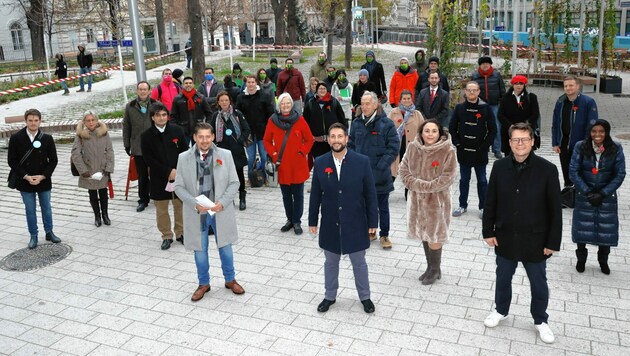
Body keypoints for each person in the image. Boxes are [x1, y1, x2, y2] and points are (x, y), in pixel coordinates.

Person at [482, 122, 562, 345]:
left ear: (533, 141)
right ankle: (500, 310)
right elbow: (491, 201)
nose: (520, 144)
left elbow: (555, 210)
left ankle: (540, 320)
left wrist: (552, 242)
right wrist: (488, 231)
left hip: (536, 239)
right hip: (506, 235)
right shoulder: (499, 167)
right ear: (509, 142)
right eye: (516, 139)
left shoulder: (547, 169)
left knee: (538, 282)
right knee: (503, 277)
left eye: (524, 139)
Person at [308, 123, 378, 314]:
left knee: (359, 262)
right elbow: (315, 194)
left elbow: (370, 194)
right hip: (330, 222)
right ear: (328, 139)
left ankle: (365, 297)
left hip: (355, 222)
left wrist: (373, 222)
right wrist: (312, 220)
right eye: (333, 136)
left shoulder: (361, 162)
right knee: (330, 262)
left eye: (340, 136)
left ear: (346, 139)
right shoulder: (320, 162)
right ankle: (329, 295)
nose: (336, 140)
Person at [174, 123, 245, 301]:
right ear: (195, 138)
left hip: (220, 209)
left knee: (226, 247)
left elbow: (234, 183)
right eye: (201, 137)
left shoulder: (225, 155)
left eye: (208, 136)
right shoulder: (183, 158)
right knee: (200, 249)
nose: (204, 140)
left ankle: (230, 279)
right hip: (197, 211)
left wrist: (223, 202)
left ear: (213, 137)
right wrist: (193, 203)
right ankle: (203, 283)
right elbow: (179, 187)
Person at [398, 120, 457, 285]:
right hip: (416, 200)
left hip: (438, 201)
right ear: (421, 133)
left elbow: (448, 176)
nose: (430, 134)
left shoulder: (448, 150)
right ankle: (431, 267)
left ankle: (435, 269)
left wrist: (425, 187)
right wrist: (416, 185)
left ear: (439, 133)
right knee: (423, 232)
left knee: (435, 233)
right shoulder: (412, 147)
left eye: (434, 131)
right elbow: (404, 170)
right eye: (427, 131)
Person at [570, 119, 626, 274]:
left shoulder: (615, 148)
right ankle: (581, 260)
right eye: (594, 131)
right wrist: (587, 192)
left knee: (605, 231)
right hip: (584, 195)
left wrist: (603, 193)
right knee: (582, 228)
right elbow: (574, 171)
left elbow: (620, 173)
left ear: (607, 132)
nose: (597, 134)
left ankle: (603, 261)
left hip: (606, 197)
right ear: (589, 132)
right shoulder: (580, 146)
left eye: (601, 131)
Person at [349, 91, 400, 249]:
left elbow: (394, 147)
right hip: (361, 175)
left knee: (382, 207)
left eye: (367, 103)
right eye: (362, 104)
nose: (364, 107)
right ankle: (370, 231)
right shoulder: (357, 123)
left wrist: (382, 165)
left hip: (380, 174)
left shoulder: (386, 124)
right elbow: (350, 144)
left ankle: (384, 234)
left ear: (376, 104)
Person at [7, 109, 61, 249]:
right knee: (30, 210)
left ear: (40, 121)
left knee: (47, 208)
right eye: (30, 120)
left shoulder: (47, 138)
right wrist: (26, 176)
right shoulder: (16, 138)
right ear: (26, 121)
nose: (33, 123)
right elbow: (12, 161)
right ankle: (33, 235)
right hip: (25, 180)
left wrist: (43, 176)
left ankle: (49, 232)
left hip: (43, 179)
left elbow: (53, 160)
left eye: (36, 120)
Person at [263, 93, 314, 235]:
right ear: (278, 105)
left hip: (297, 164)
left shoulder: (299, 120)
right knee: (286, 195)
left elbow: (309, 139)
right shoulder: (272, 121)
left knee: (298, 195)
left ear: (292, 104)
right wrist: (273, 154)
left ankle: (297, 221)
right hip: (282, 164)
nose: (285, 106)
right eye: (282, 103)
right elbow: (266, 140)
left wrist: (302, 152)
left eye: (288, 103)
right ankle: (289, 219)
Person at [141, 102, 188, 250]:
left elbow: (185, 153)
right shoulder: (146, 136)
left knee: (179, 206)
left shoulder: (177, 131)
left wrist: (177, 171)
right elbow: (149, 159)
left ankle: (181, 233)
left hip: (178, 175)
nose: (161, 118)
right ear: (152, 118)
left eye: (164, 115)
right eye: (158, 115)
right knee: (162, 209)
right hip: (159, 177)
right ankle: (166, 235)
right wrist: (167, 172)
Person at [449, 81, 496, 219]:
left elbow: (493, 130)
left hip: (480, 151)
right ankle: (462, 205)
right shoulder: (459, 108)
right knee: (464, 180)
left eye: (474, 90)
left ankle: (483, 207)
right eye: (469, 90)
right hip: (463, 150)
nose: (471, 92)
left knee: (482, 180)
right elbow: (452, 128)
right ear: (465, 92)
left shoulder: (486, 108)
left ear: (478, 92)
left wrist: (485, 146)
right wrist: (457, 144)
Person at [552, 75, 598, 187]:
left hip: (581, 144)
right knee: (566, 170)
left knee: (580, 172)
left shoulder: (588, 102)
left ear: (578, 86)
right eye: (565, 86)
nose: (568, 88)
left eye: (571, 85)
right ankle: (568, 192)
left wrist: (588, 143)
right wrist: (555, 143)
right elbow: (555, 124)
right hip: (563, 144)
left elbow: (592, 125)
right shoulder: (560, 102)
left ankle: (580, 195)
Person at [71, 111, 115, 227]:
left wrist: (109, 167)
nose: (91, 123)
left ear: (97, 120)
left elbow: (110, 151)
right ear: (84, 122)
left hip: (102, 168)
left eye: (93, 120)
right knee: (92, 193)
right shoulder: (80, 136)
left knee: (103, 192)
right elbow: (76, 154)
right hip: (89, 169)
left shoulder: (104, 133)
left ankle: (105, 215)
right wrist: (83, 170)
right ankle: (97, 216)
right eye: (88, 120)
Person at [211, 91, 251, 210]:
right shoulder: (215, 116)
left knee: (239, 175)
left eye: (226, 100)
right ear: (218, 102)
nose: (224, 102)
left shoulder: (237, 114)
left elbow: (246, 129)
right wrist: (215, 144)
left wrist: (240, 141)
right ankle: (228, 199)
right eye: (222, 100)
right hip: (221, 151)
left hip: (236, 150)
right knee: (224, 176)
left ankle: (242, 197)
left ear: (230, 102)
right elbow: (211, 131)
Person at [123, 81, 157, 212]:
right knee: (142, 175)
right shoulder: (130, 106)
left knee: (156, 173)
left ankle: (157, 194)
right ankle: (143, 199)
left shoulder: (156, 105)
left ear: (149, 91)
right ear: (137, 91)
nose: (143, 92)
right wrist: (127, 144)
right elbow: (126, 127)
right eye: (140, 89)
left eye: (145, 89)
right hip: (138, 147)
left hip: (154, 146)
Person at [236, 75, 275, 183]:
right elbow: (237, 114)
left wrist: (269, 128)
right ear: (246, 83)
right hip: (248, 133)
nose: (251, 84)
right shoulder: (241, 97)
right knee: (251, 157)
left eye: (253, 82)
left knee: (263, 155)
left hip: (262, 132)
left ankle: (265, 177)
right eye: (249, 82)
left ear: (256, 83)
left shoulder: (264, 95)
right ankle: (250, 177)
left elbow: (270, 113)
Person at [388, 89, 424, 199]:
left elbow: (423, 130)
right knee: (392, 170)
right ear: (400, 100)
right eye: (404, 99)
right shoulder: (393, 112)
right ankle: (385, 191)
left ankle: (408, 193)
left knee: (410, 170)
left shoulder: (417, 114)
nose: (406, 100)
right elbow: (386, 128)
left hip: (411, 147)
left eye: (409, 98)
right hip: (396, 145)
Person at [303, 83, 346, 169]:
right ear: (317, 91)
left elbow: (342, 119)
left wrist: (343, 134)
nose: (322, 90)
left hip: (332, 141)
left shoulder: (334, 102)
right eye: (320, 89)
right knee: (320, 165)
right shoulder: (310, 103)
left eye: (324, 88)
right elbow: (305, 122)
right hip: (317, 142)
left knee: (333, 164)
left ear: (327, 90)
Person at [498, 75, 540, 157]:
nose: (518, 85)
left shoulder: (531, 97)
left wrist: (525, 125)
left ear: (524, 85)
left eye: (521, 83)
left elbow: (535, 114)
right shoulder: (505, 98)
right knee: (509, 156)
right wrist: (511, 126)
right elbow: (500, 115)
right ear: (512, 85)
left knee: (526, 155)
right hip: (509, 131)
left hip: (526, 130)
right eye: (516, 83)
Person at [471, 56, 505, 159]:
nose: (485, 65)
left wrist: (502, 102)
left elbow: (502, 89)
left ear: (490, 64)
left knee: (496, 127)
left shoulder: (496, 75)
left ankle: (497, 149)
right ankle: (482, 148)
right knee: (480, 127)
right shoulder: (475, 76)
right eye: (483, 64)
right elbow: (471, 89)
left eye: (487, 63)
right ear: (480, 65)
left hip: (494, 105)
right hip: (480, 105)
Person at [170, 76, 213, 145]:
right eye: (186, 83)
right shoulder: (177, 99)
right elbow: (173, 116)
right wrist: (177, 129)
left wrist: (207, 125)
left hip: (198, 130)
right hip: (183, 131)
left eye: (190, 83)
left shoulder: (200, 97)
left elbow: (209, 113)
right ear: (183, 85)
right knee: (184, 152)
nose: (188, 85)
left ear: (193, 85)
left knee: (198, 152)